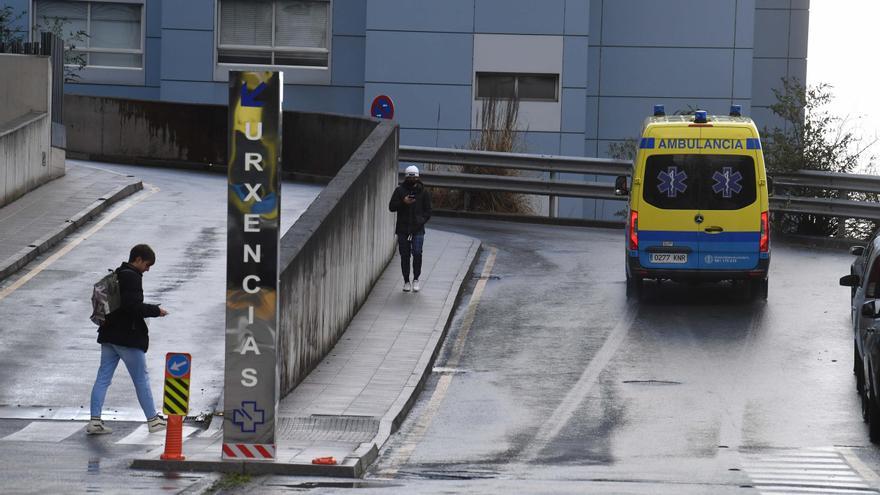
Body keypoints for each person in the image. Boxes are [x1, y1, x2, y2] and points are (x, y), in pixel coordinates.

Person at [87, 244, 169, 435]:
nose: (147, 269)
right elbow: (133, 307)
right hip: (127, 337)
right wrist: (156, 311)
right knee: (141, 378)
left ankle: (95, 421)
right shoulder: (132, 277)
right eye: (147, 265)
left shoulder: (117, 274)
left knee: (103, 378)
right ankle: (153, 420)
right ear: (138, 259)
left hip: (108, 335)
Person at [389, 165, 432, 292]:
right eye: (410, 177)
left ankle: (416, 279)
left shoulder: (424, 192)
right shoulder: (399, 191)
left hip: (418, 229)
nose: (413, 179)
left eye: (415, 177)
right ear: (406, 177)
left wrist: (421, 221)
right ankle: (406, 280)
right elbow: (391, 207)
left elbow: (428, 211)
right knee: (405, 255)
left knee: (417, 253)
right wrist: (403, 202)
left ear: (418, 177)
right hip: (403, 228)